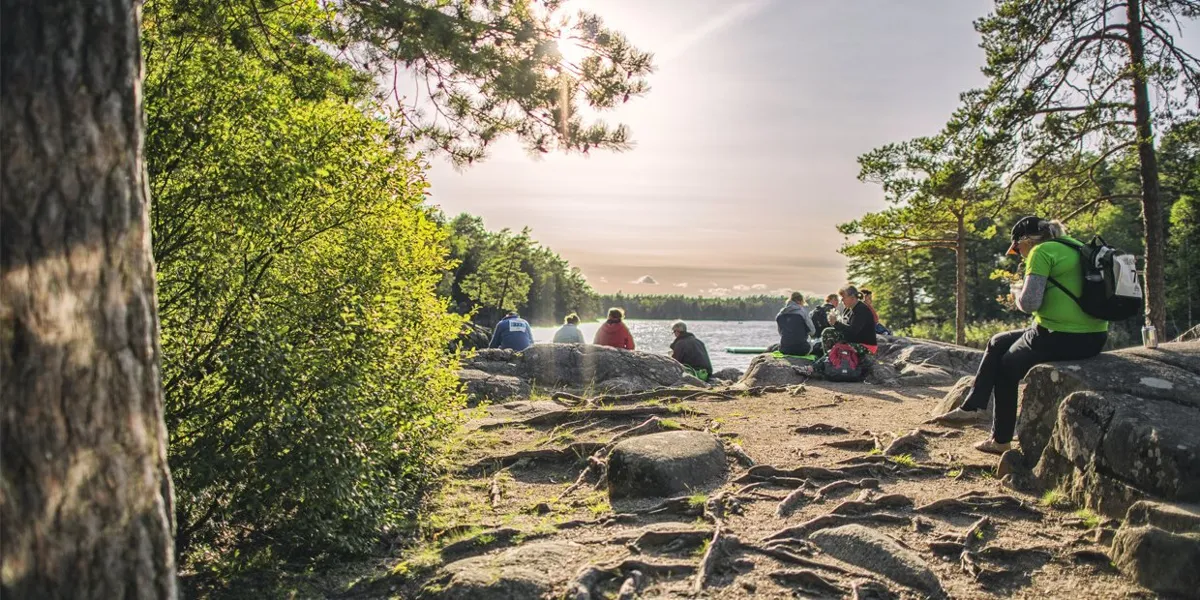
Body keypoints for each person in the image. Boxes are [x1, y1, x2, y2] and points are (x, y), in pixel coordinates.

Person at [931, 216, 1109, 454]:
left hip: (1059, 336)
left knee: (1006, 367)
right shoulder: (1078, 247)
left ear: (1026, 240)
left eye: (1017, 248)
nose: (1019, 254)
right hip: (1095, 337)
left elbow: (1030, 303)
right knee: (997, 342)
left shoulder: (1041, 252)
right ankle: (973, 406)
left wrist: (1016, 293)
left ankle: (1000, 439)